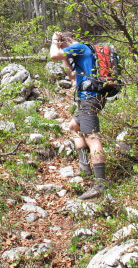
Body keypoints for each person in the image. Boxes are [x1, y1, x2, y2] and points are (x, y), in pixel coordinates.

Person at [50, 31, 107, 199]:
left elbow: (53, 55)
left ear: (66, 41)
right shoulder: (83, 52)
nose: (63, 49)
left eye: (63, 46)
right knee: (74, 127)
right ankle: (85, 169)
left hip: (89, 99)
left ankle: (100, 184)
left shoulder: (79, 47)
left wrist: (54, 42)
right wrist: (66, 60)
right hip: (89, 98)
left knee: (92, 137)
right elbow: (72, 76)